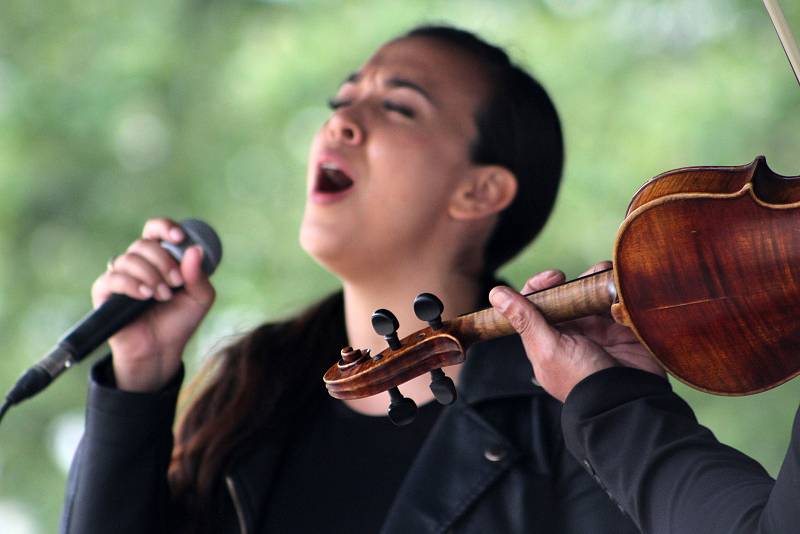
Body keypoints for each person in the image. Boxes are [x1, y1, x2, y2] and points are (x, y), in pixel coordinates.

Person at [58, 25, 798, 534]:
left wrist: (613, 403)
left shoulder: (561, 418)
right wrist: (140, 379)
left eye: (396, 106)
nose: (342, 121)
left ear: (481, 192)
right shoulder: (251, 398)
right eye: (340, 100)